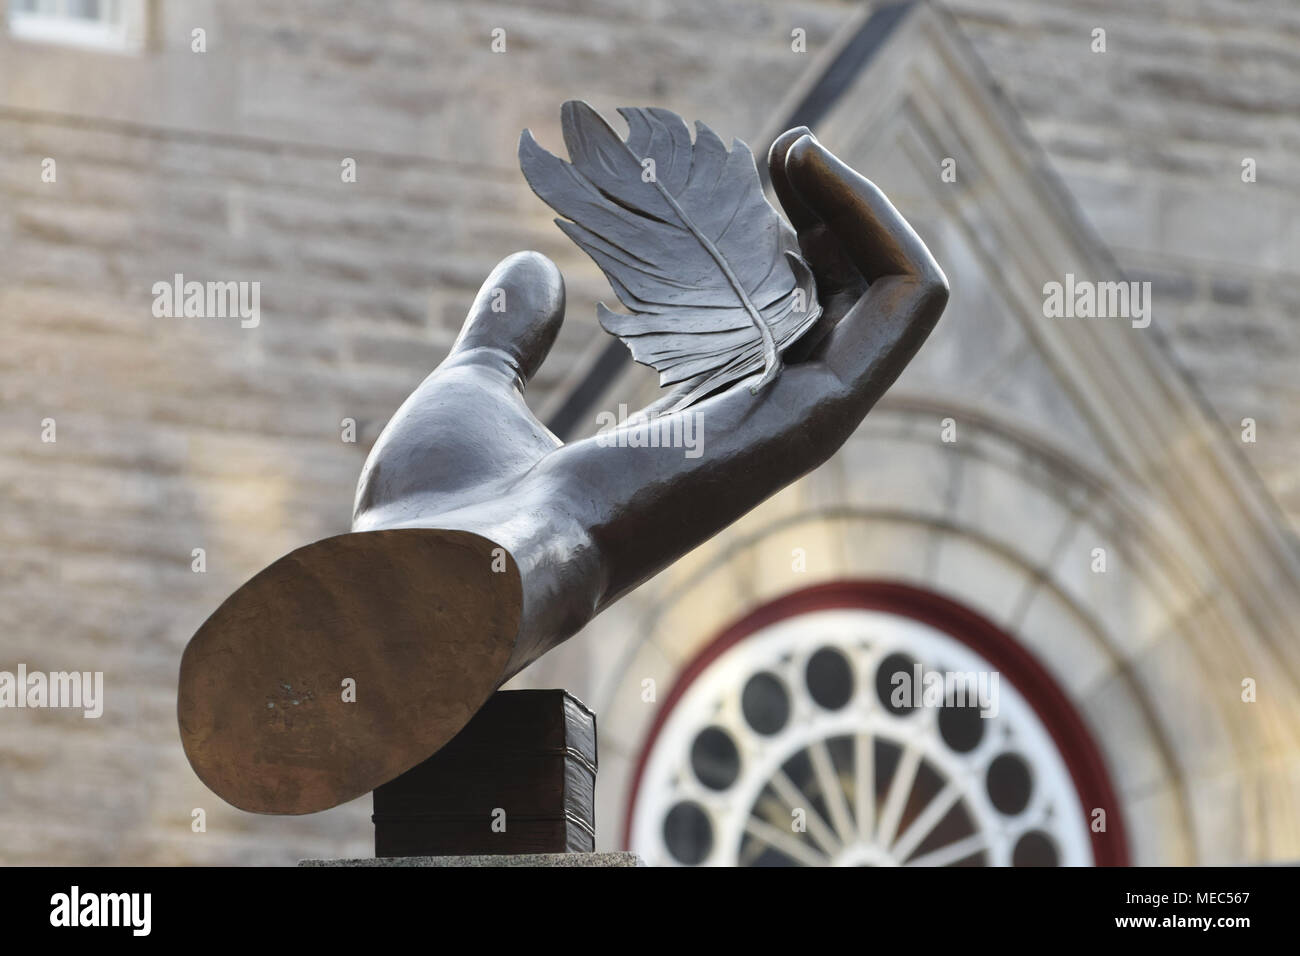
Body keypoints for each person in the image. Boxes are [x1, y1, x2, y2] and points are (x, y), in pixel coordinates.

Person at [178, 128, 949, 815]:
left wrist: (480, 360)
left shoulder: (468, 464)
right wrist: (905, 289)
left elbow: (523, 289)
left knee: (547, 504)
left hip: (425, 492)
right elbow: (823, 390)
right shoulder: (578, 502)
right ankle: (507, 565)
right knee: (568, 520)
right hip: (516, 520)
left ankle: (485, 558)